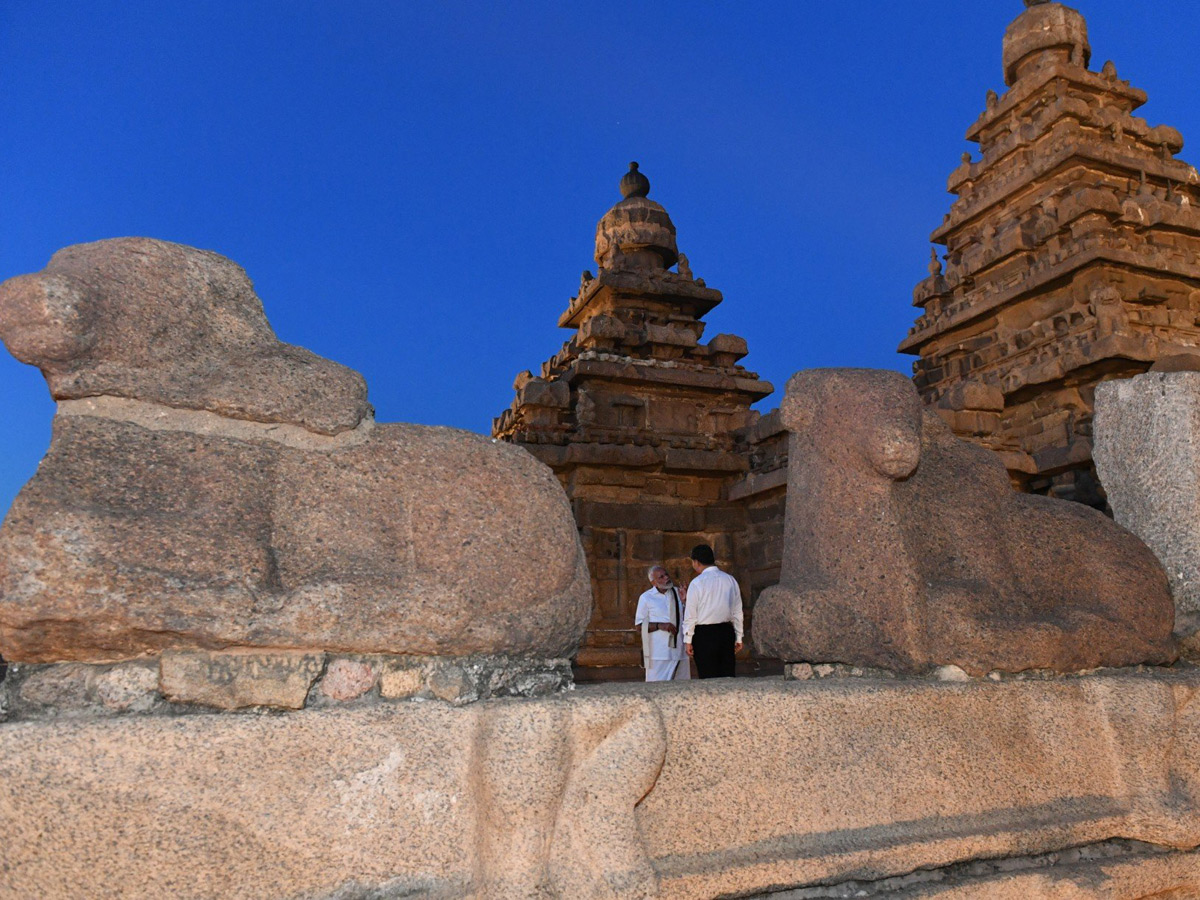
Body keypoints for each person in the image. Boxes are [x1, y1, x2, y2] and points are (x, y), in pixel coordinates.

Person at [682, 544, 743, 678]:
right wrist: (739, 636)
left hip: (704, 635)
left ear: (696, 562)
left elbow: (691, 615)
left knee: (708, 677)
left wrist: (688, 640)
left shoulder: (697, 583)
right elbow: (737, 611)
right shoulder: (730, 580)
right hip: (726, 632)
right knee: (727, 675)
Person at [634, 565, 691, 682]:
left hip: (680, 651)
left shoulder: (678, 593)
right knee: (656, 688)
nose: (666, 578)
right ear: (653, 582)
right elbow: (639, 626)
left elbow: (688, 618)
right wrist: (660, 625)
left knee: (683, 687)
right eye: (661, 577)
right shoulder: (646, 598)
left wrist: (685, 601)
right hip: (658, 654)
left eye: (666, 575)